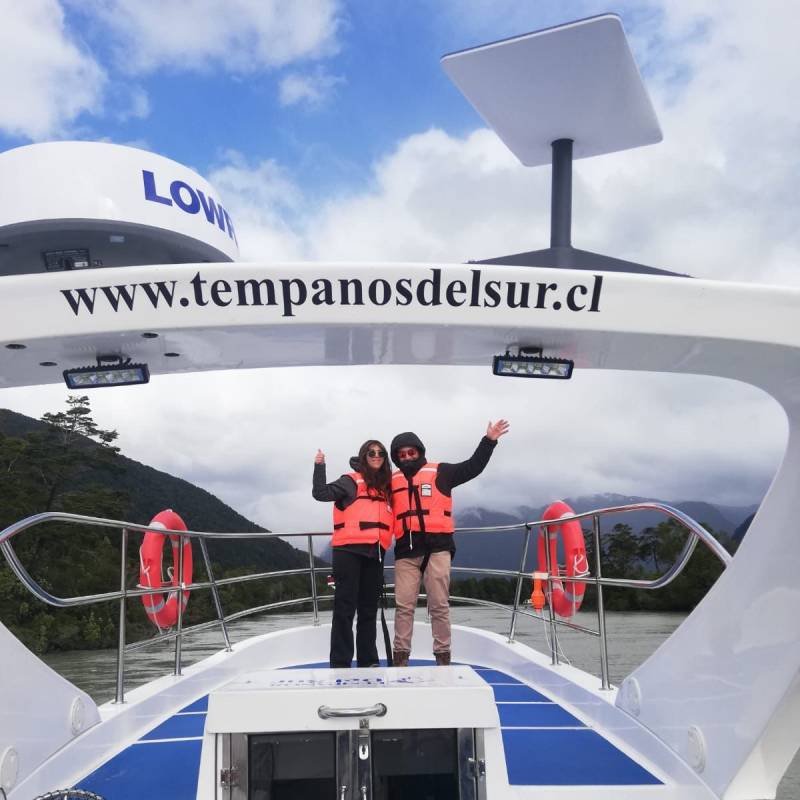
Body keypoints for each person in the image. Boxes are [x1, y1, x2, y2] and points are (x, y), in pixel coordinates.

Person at [390, 420, 510, 666]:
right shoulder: (390, 482)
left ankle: (443, 657)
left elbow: (472, 467)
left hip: (437, 548)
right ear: (396, 458)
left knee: (439, 606)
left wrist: (489, 440)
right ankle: (400, 658)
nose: (407, 457)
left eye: (411, 452)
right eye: (401, 455)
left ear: (420, 452)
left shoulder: (441, 472)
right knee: (404, 607)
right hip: (406, 552)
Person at [313, 440, 394, 668]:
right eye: (372, 452)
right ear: (364, 455)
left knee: (368, 610)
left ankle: (369, 661)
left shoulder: (386, 487)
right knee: (345, 609)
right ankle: (340, 662)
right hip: (348, 552)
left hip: (375, 553)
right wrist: (320, 466)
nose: (376, 456)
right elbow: (320, 493)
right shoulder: (349, 481)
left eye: (380, 453)